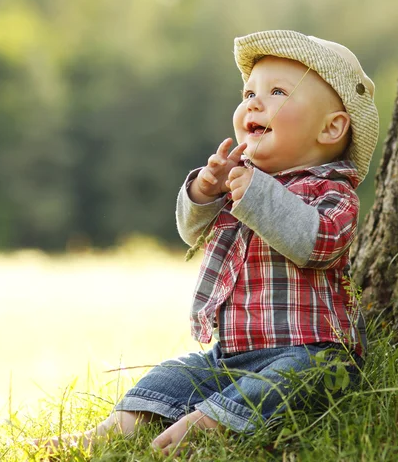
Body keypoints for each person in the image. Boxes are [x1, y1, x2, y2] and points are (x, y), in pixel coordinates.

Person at [36, 29, 379, 457]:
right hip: (231, 355)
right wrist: (204, 191)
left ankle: (210, 425)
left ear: (331, 128)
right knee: (171, 376)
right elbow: (190, 231)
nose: (253, 102)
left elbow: (318, 242)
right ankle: (112, 430)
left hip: (312, 350)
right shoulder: (240, 182)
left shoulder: (331, 192)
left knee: (298, 378)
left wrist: (254, 193)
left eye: (276, 92)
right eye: (249, 92)